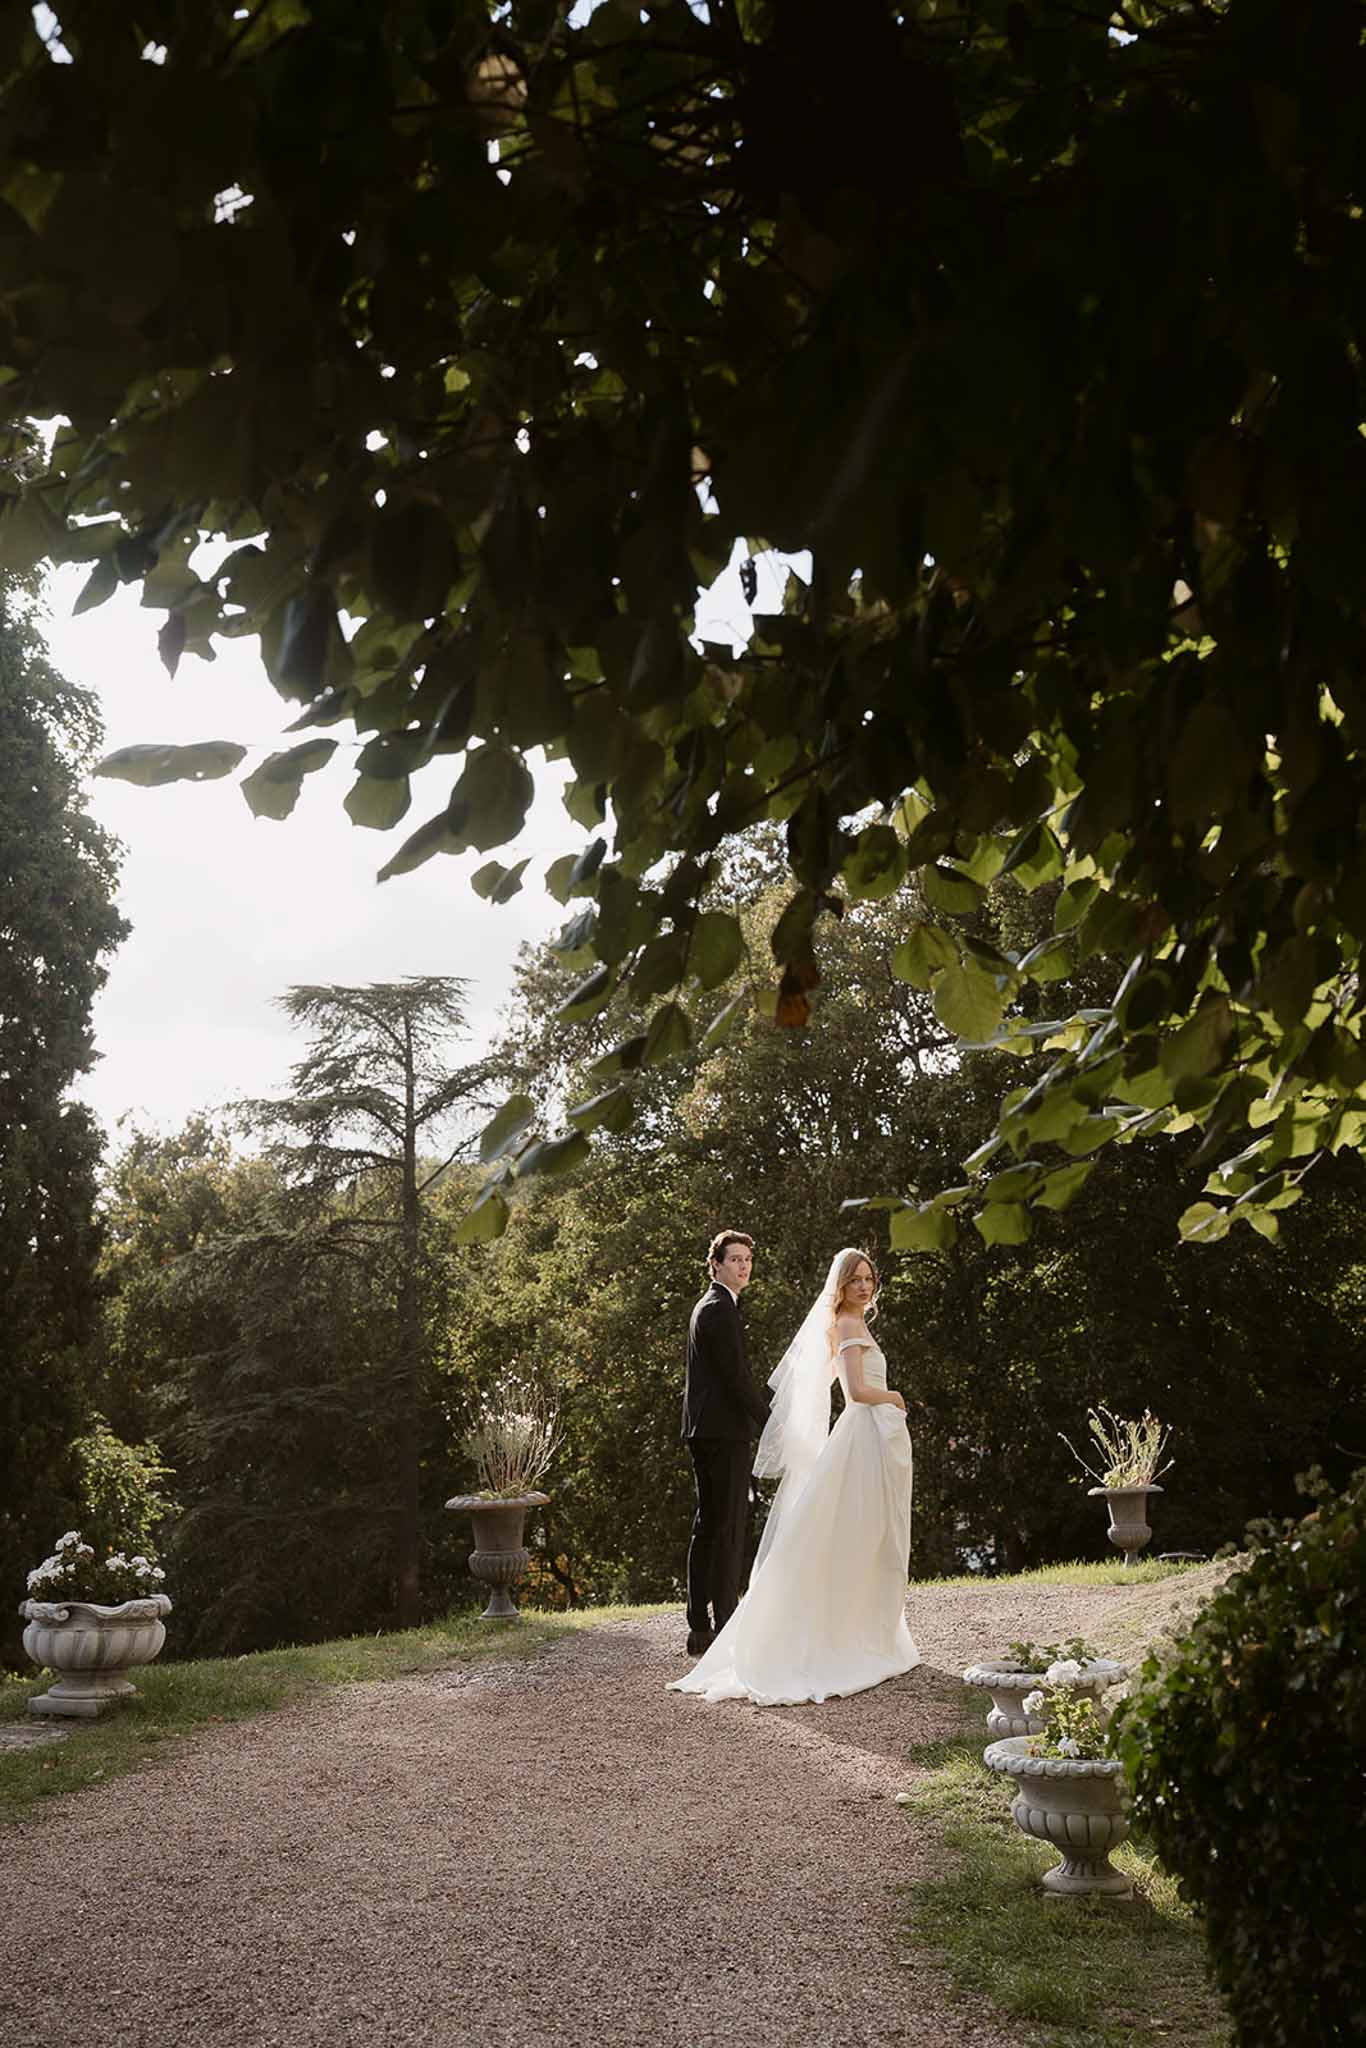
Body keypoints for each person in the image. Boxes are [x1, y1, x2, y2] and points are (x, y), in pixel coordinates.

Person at [670, 1246, 919, 1706]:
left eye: (869, 1278)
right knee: (723, 1524)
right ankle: (715, 1623)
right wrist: (895, 1397)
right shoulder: (837, 1323)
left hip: (867, 1438)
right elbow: (856, 1392)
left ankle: (860, 1625)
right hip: (833, 1434)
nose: (864, 1286)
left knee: (732, 1524)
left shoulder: (853, 1322)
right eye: (855, 1279)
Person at [680, 1229, 770, 1656]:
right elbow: (737, 1379)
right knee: (726, 1527)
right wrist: (771, 1420)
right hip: (721, 1432)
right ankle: (723, 1622)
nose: (744, 1266)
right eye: (735, 1259)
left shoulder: (714, 1306)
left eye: (747, 1259)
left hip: (708, 1431)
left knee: (711, 1527)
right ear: (715, 1264)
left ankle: (701, 1625)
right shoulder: (718, 1309)